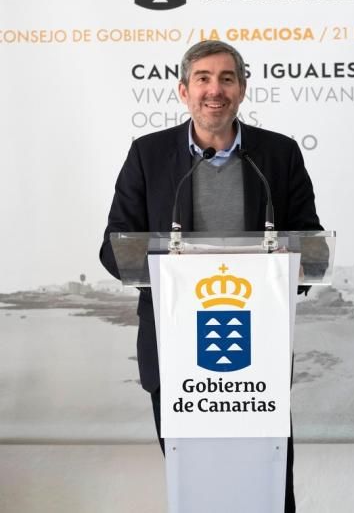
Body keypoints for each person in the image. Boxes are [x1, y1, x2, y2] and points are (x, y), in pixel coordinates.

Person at [100, 40, 323, 512]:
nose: (214, 90)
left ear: (242, 89)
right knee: (196, 486)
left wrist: (295, 262)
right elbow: (113, 247)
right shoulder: (148, 155)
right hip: (174, 354)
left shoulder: (279, 155)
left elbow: (311, 241)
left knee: (266, 485)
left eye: (226, 78)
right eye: (203, 78)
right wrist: (171, 263)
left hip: (254, 356)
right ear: (183, 91)